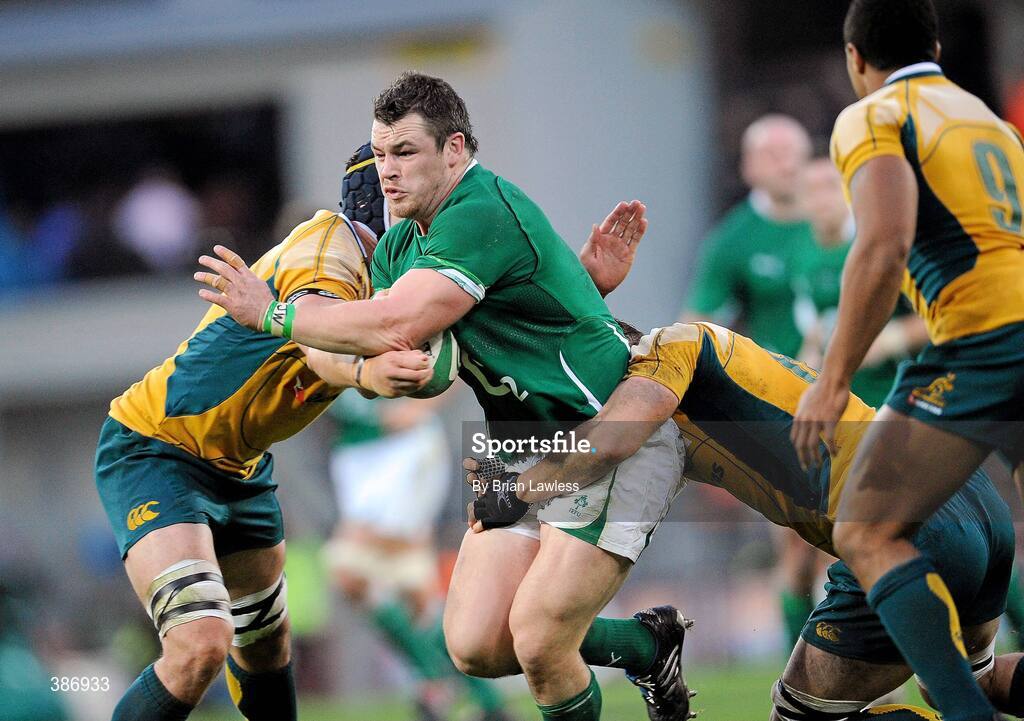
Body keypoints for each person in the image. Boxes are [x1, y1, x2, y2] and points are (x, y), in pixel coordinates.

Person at [195, 73, 694, 721]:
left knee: (539, 639)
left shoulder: (478, 209)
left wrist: (274, 315)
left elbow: (399, 326)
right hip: (513, 446)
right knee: (477, 644)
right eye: (379, 158)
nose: (386, 175)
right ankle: (645, 643)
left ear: (455, 149)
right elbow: (420, 347)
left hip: (603, 426)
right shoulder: (402, 244)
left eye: (404, 153)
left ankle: (488, 688)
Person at [466, 320, 1021, 719]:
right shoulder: (695, 380)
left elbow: (611, 437)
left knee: (800, 713)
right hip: (969, 499)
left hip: (900, 526)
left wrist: (516, 491)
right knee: (980, 679)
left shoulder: (666, 355)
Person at [94, 142, 437, 721]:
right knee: (201, 645)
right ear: (388, 202)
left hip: (241, 466)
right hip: (158, 449)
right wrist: (366, 370)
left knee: (267, 645)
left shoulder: (395, 279)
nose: (439, 218)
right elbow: (316, 342)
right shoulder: (334, 250)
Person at [789, 1, 1024, 718]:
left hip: (984, 339)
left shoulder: (875, 114)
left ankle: (964, 709)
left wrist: (829, 381)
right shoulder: (991, 122)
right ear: (938, 45)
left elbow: (884, 243)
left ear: (855, 58)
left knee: (864, 528)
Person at [323, 146, 512, 721]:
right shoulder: (344, 281)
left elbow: (457, 339)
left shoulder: (416, 262)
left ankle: (438, 684)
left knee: (347, 568)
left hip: (399, 451)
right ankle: (477, 698)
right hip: (359, 460)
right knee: (409, 595)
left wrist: (425, 401)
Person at [682, 114, 816, 359]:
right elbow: (697, 327)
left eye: (795, 154)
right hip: (782, 383)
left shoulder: (850, 219)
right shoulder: (733, 238)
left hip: (869, 383)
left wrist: (894, 338)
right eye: (774, 156)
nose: (788, 166)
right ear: (748, 166)